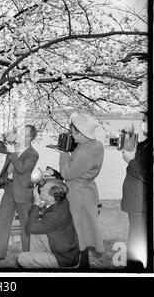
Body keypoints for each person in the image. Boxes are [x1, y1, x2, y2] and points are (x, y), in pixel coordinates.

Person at [58, 112, 104, 269]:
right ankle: (84, 265)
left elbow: (67, 174)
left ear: (82, 134)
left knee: (77, 231)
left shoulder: (84, 151)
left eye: (73, 132)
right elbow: (81, 167)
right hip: (88, 190)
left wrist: (64, 153)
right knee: (84, 229)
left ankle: (80, 266)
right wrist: (73, 150)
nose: (71, 134)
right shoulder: (96, 145)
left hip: (77, 194)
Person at [0, 124, 39, 261]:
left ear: (29, 137)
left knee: (26, 225)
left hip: (24, 192)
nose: (19, 132)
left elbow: (21, 168)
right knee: (2, 222)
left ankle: (27, 255)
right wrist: (5, 137)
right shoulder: (14, 145)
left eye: (23, 131)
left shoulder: (33, 154)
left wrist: (12, 152)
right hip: (9, 189)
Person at [17, 180, 80, 268]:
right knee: (36, 234)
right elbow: (63, 188)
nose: (41, 188)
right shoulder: (62, 201)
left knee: (22, 258)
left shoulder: (54, 215)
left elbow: (31, 227)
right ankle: (38, 260)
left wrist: (36, 203)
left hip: (63, 258)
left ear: (51, 198)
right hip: (67, 249)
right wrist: (44, 202)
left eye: (44, 188)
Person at [121, 111, 151, 270]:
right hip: (135, 203)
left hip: (142, 205)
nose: (143, 123)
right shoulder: (146, 143)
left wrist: (131, 161)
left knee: (137, 244)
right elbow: (131, 150)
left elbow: (147, 174)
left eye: (145, 120)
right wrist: (130, 135)